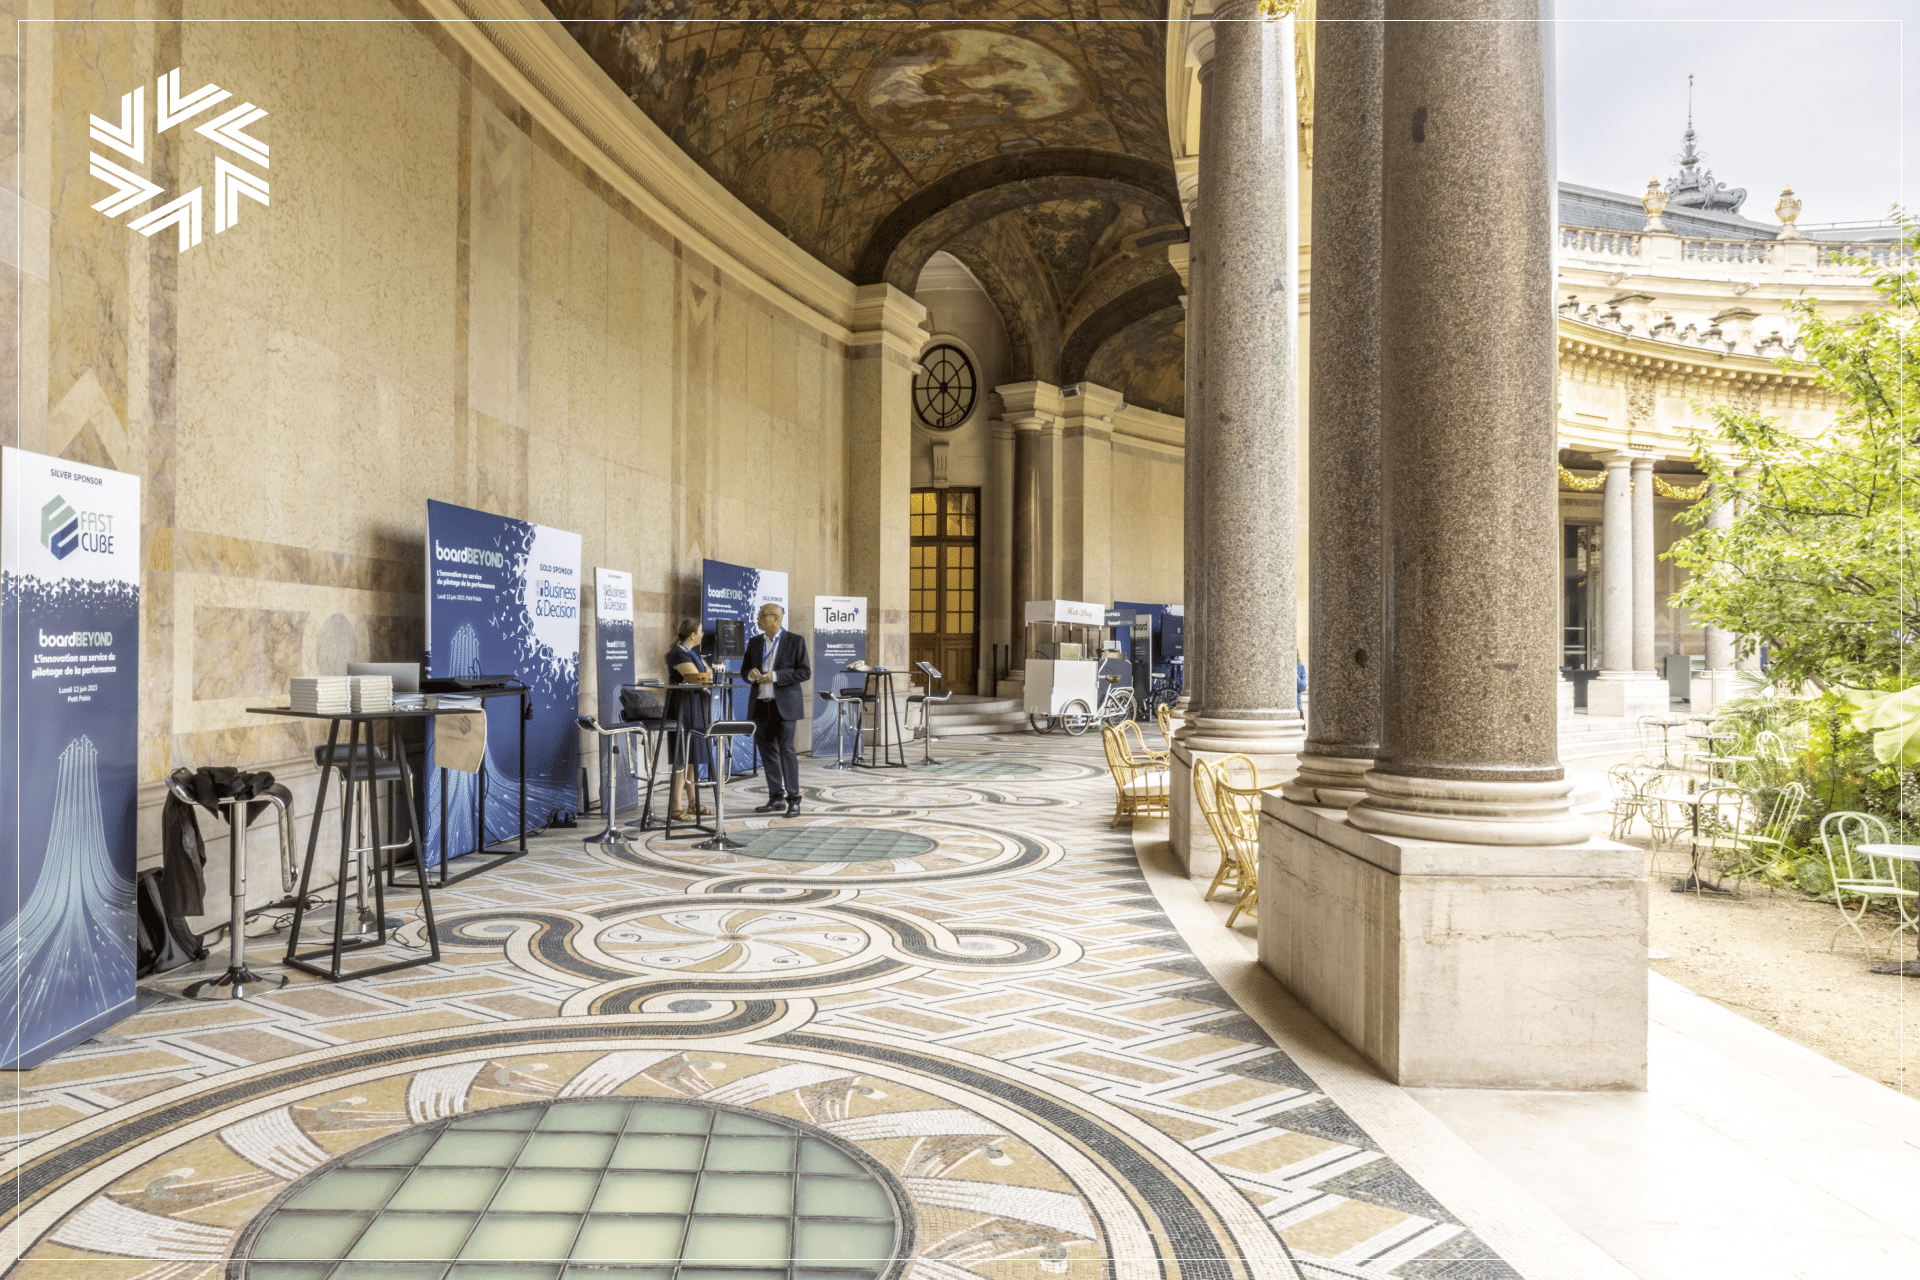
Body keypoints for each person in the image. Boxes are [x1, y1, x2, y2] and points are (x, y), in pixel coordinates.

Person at [742, 602, 810, 816]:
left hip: (785, 706)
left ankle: (794, 800)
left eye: (761, 615)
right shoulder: (754, 642)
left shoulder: (795, 641)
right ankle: (776, 797)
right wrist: (750, 675)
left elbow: (804, 672)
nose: (757, 619)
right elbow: (744, 671)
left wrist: (776, 676)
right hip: (761, 705)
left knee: (787, 751)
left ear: (775, 618)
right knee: (767, 753)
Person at [664, 618, 714, 822]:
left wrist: (706, 676)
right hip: (682, 708)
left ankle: (693, 803)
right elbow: (700, 680)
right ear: (692, 634)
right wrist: (706, 677)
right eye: (700, 631)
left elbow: (708, 676)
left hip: (696, 707)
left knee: (693, 756)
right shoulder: (677, 653)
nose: (703, 634)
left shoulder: (692, 654)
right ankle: (675, 806)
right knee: (681, 758)